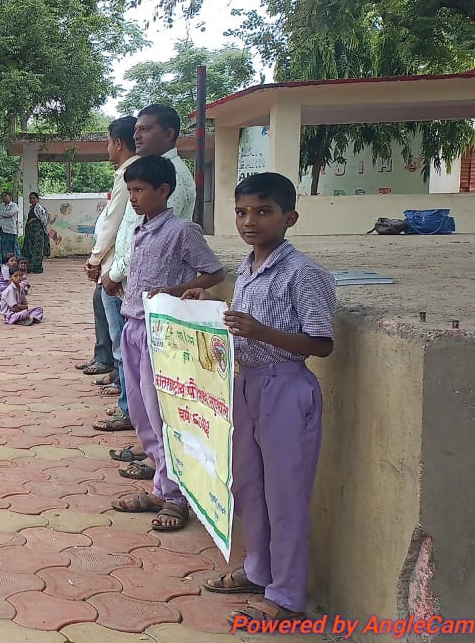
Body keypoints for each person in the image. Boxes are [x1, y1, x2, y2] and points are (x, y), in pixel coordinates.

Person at [186, 173, 336, 623]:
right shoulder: (249, 268)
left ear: (288, 217)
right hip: (247, 384)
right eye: (242, 211)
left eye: (263, 211)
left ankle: (287, 596)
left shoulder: (305, 274)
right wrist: (212, 300)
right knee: (249, 487)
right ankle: (258, 569)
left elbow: (321, 343)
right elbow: (243, 323)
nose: (250, 221)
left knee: (285, 496)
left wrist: (261, 331)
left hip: (287, 388)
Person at [107, 156, 223, 533]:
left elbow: (214, 271)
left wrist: (171, 292)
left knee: (162, 414)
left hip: (162, 331)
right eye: (130, 191)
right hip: (133, 326)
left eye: (140, 191)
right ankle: (162, 486)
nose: (135, 198)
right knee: (141, 416)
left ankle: (175, 497)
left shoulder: (182, 231)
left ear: (163, 191)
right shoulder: (142, 230)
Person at [97, 109, 197, 433]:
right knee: (137, 374)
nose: (137, 136)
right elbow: (134, 231)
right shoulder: (144, 173)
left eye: (146, 130)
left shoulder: (173, 178)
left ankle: (159, 460)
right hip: (134, 296)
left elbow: (154, 242)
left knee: (154, 387)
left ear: (169, 134)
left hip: (152, 302)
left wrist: (115, 272)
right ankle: (147, 444)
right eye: (136, 130)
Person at [84, 117, 137, 410]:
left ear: (117, 143)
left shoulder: (129, 174)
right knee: (117, 335)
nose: (107, 149)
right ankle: (119, 384)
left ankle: (127, 405)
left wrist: (95, 260)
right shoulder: (129, 173)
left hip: (116, 269)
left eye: (108, 142)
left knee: (121, 340)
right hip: (113, 266)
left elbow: (116, 225)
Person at [22, 192, 50, 274]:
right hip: (31, 233)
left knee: (36, 249)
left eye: (34, 198)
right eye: (30, 198)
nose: (32, 200)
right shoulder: (32, 208)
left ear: (37, 199)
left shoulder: (39, 208)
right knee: (30, 249)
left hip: (37, 232)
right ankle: (31, 266)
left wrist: (34, 221)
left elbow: (44, 221)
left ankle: (37, 267)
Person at [0, 192, 21, 263]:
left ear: (10, 197)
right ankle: (0, 262)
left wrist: (1, 213)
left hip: (10, 230)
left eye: (5, 196)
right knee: (0, 247)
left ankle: (14, 263)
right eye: (2, 196)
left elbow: (10, 213)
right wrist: (4, 214)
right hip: (0, 229)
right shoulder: (0, 206)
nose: (4, 197)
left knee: (11, 247)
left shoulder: (13, 205)